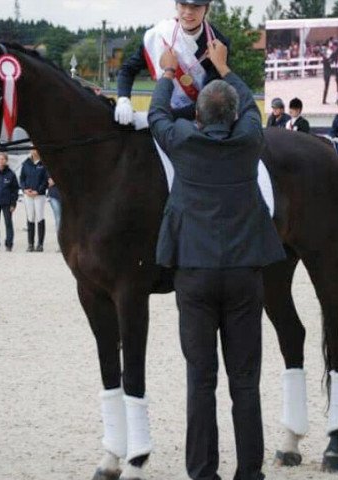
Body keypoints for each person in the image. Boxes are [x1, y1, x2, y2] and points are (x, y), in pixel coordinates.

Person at [149, 39, 285, 480]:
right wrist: (224, 69)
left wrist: (167, 75)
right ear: (232, 117)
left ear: (199, 116)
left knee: (200, 382)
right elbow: (251, 108)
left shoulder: (184, 143)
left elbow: (156, 117)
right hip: (245, 274)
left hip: (195, 274)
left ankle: (203, 473)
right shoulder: (248, 141)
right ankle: (250, 473)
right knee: (245, 382)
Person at [115, 0, 230, 125]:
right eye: (183, 5)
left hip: (200, 122)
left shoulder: (218, 43)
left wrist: (158, 117)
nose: (188, 12)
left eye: (196, 6)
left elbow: (209, 102)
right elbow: (127, 70)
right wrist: (123, 99)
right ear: (176, 5)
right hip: (164, 114)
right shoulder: (159, 35)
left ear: (206, 8)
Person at [20, 149, 48, 252]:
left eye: (35, 149)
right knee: (30, 217)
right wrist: (24, 189)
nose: (34, 151)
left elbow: (45, 180)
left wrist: (39, 190)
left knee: (40, 217)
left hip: (39, 195)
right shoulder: (26, 163)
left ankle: (40, 244)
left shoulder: (43, 163)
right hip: (28, 194)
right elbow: (22, 178)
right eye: (32, 149)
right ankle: (30, 243)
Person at [47, 177, 62, 252]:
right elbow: (47, 181)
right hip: (54, 195)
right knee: (58, 220)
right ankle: (61, 245)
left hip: (66, 196)